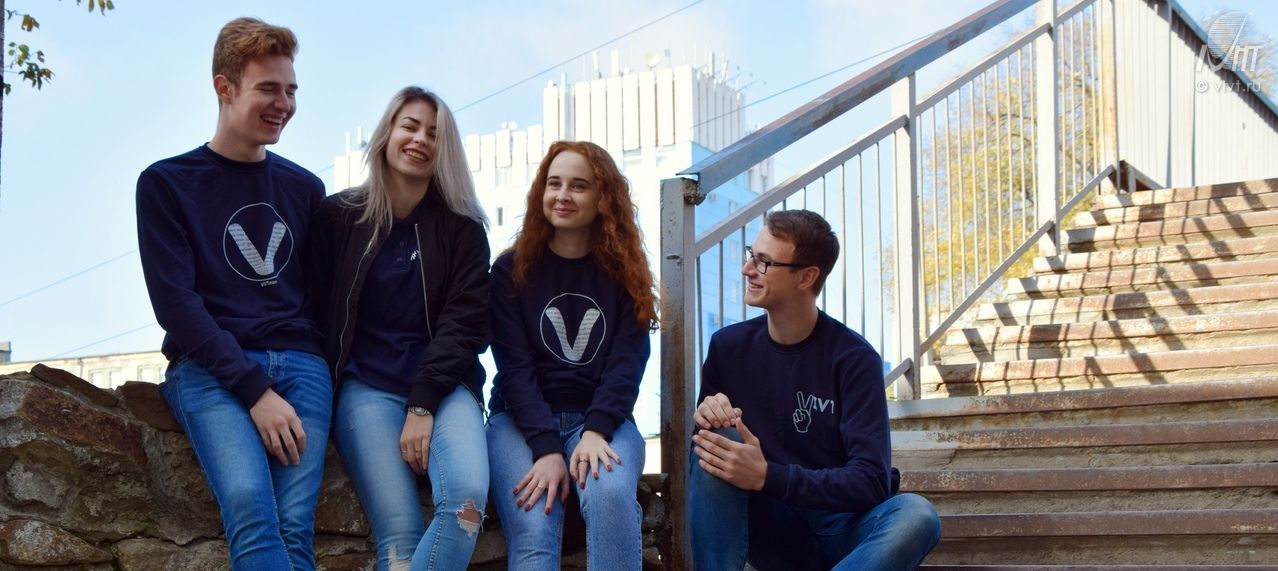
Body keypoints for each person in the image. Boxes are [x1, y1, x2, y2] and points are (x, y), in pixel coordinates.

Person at [136, 17, 330, 570]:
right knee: (250, 509)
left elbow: (321, 298)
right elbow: (176, 305)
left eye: (291, 90)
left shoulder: (305, 189)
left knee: (295, 528)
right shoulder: (166, 184)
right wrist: (253, 389)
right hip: (210, 369)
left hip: (303, 368)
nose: (284, 104)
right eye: (268, 89)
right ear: (224, 87)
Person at [687, 210, 941, 571]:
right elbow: (705, 469)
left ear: (806, 277)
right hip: (769, 532)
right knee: (714, 442)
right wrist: (708, 415)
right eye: (751, 255)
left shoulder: (854, 359)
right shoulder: (728, 348)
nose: (747, 269)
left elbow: (871, 480)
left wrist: (768, 475)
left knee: (917, 515)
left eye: (764, 262)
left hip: (842, 531)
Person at [309, 86, 491, 571]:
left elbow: (467, 324)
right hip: (366, 388)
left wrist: (422, 403)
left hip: (446, 388)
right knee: (400, 534)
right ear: (387, 133)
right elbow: (313, 309)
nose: (420, 139)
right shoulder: (338, 217)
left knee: (466, 503)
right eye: (410, 126)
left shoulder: (463, 229)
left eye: (434, 133)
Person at [486, 140, 656, 570]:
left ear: (603, 199)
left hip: (602, 421)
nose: (562, 195)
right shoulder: (509, 271)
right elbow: (515, 369)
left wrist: (596, 431)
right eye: (554, 183)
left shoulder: (624, 275)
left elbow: (627, 364)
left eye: (578, 186)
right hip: (520, 423)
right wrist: (546, 448)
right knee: (536, 521)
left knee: (610, 494)